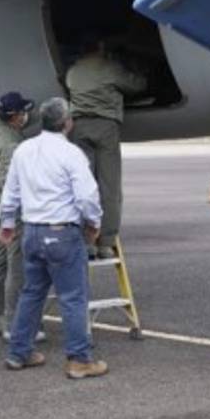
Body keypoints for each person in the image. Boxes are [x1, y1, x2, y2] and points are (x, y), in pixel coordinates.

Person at [0, 97, 109, 380]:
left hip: (32, 231)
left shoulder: (23, 149)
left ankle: (18, 352)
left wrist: (8, 222)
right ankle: (79, 359)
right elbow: (87, 195)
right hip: (61, 231)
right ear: (67, 123)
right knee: (73, 297)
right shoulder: (71, 154)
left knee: (32, 292)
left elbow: (10, 191)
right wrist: (94, 223)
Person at [65, 36, 147, 258]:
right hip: (105, 126)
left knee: (83, 185)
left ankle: (86, 241)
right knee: (109, 186)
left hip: (79, 127)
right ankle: (106, 242)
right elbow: (136, 85)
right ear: (101, 48)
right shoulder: (109, 68)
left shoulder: (73, 71)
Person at [0, 91, 39, 339]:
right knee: (17, 265)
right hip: (9, 204)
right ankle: (15, 324)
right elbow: (9, 184)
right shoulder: (11, 145)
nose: (27, 115)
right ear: (14, 117)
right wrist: (11, 219)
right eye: (23, 112)